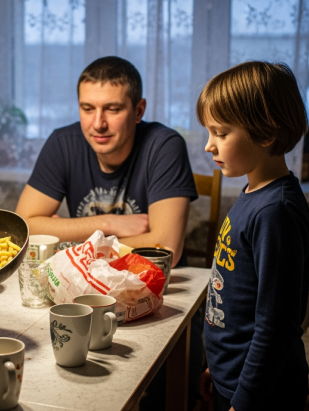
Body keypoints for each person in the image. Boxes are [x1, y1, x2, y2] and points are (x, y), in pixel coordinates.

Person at [196, 61, 309, 411]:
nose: (208, 144)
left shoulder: (275, 212)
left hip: (264, 398)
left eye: (220, 132)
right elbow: (238, 294)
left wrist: (245, 405)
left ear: (265, 133)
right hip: (237, 381)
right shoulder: (253, 192)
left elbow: (276, 325)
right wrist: (218, 369)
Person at [15, 56, 197, 267]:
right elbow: (24, 228)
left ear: (138, 111)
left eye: (113, 109)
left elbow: (165, 249)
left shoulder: (165, 145)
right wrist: (108, 223)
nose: (98, 124)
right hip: (87, 283)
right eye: (88, 109)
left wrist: (71, 243)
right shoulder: (62, 143)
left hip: (154, 284)